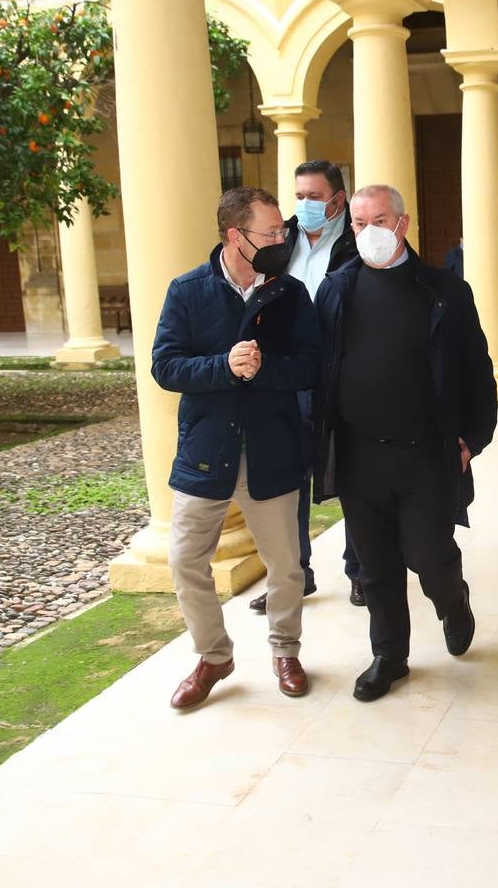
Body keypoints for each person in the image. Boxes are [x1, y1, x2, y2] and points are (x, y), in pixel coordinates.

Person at [312, 184, 497, 702]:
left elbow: (477, 371)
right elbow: (320, 366)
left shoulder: (443, 290)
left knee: (429, 554)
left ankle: (452, 600)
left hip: (425, 453)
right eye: (357, 224)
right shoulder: (337, 289)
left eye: (377, 220)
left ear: (402, 223)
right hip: (359, 452)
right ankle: (389, 656)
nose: (366, 232)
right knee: (375, 565)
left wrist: (473, 439)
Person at [151, 186, 320, 709]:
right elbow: (165, 366)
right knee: (184, 560)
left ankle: (286, 650)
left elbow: (313, 364)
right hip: (205, 452)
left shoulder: (289, 294)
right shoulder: (187, 291)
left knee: (286, 565)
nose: (280, 239)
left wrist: (267, 368)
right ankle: (213, 658)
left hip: (272, 450)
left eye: (280, 231)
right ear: (234, 236)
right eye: (269, 232)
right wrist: (221, 366)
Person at [248, 159, 365, 614]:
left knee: (352, 476)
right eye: (299, 195)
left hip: (342, 376)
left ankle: (361, 572)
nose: (304, 204)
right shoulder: (282, 238)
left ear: (338, 199)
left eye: (314, 196)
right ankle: (295, 576)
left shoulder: (358, 243)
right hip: (289, 376)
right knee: (288, 481)